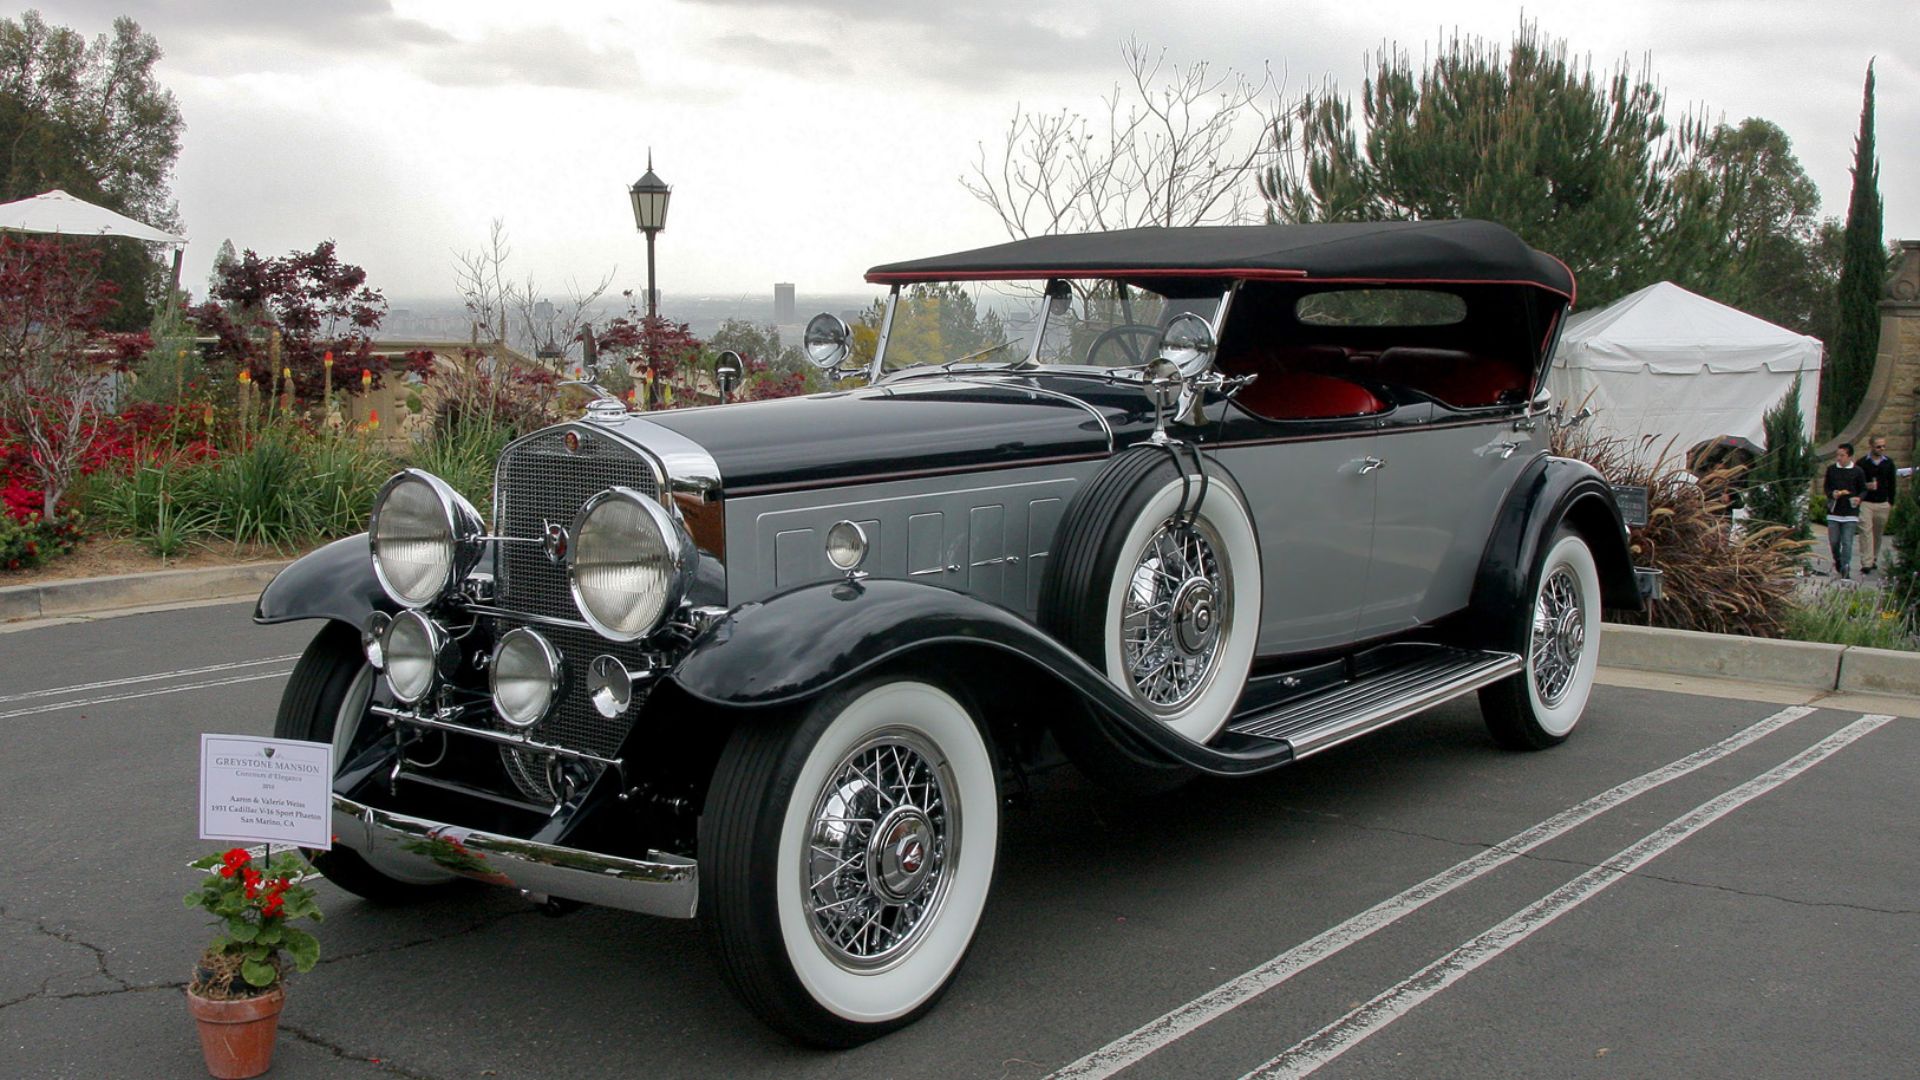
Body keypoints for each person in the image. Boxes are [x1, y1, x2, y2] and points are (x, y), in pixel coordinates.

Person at [1855, 436, 1914, 573]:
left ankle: (1874, 557)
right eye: (1878, 446)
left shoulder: (1888, 463)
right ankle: (1866, 562)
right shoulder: (1862, 463)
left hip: (1882, 503)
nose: (1881, 449)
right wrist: (1866, 486)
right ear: (1871, 446)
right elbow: (1856, 482)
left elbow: (1892, 484)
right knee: (1865, 532)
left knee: (1877, 533)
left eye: (1883, 446)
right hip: (1866, 502)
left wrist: (1891, 502)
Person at [1824, 443, 1866, 579]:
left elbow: (1863, 489)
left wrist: (1859, 498)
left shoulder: (1858, 471)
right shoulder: (1831, 470)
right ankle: (1838, 560)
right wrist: (1833, 494)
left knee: (1847, 542)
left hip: (1850, 512)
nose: (1839, 458)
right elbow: (1826, 488)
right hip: (1834, 512)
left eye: (1842, 455)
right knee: (1834, 541)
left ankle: (1846, 568)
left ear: (1849, 456)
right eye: (1838, 455)